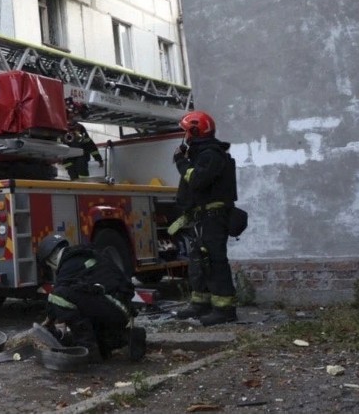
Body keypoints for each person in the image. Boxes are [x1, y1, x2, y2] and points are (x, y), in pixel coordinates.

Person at [168, 110, 239, 326]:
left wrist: (181, 162)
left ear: (195, 132)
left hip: (213, 216)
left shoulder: (212, 155)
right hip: (203, 216)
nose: (185, 137)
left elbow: (197, 180)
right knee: (200, 261)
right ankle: (201, 303)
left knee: (215, 262)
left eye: (186, 132)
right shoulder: (200, 154)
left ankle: (225, 309)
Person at [37, 233, 146, 362]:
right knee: (99, 341)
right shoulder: (78, 256)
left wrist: (48, 322)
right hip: (118, 308)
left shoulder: (69, 264)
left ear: (51, 259)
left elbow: (56, 297)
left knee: (58, 296)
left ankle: (88, 350)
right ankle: (129, 337)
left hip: (114, 306)